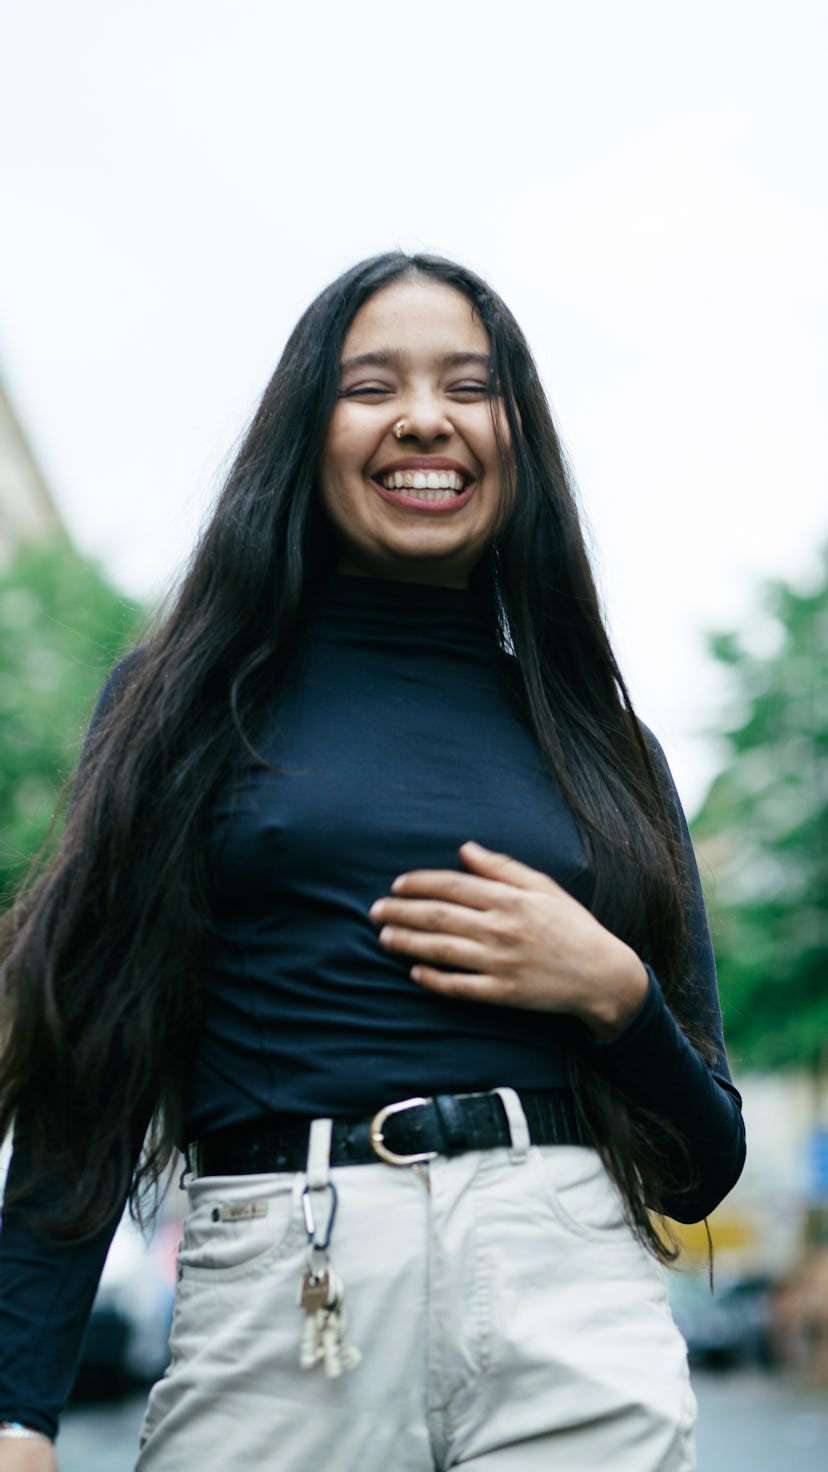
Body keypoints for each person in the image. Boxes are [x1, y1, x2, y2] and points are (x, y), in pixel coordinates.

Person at [0, 252, 745, 1471]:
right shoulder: (182, 703)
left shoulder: (605, 742)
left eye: (470, 383)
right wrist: (16, 1407)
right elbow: (86, 1075)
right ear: (308, 431)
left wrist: (617, 995)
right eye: (370, 385)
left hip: (571, 1301)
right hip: (290, 1298)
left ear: (517, 437)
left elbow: (706, 1164)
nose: (424, 416)